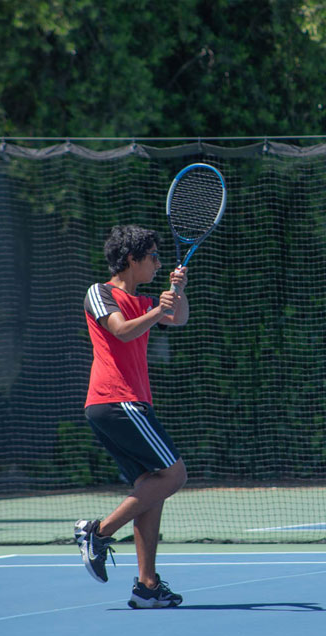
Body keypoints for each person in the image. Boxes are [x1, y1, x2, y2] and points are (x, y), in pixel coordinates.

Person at [75, 224, 189, 608]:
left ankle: (147, 586)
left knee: (151, 487)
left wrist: (176, 293)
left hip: (130, 404)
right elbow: (121, 332)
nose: (157, 263)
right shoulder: (100, 292)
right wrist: (160, 308)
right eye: (152, 257)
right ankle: (99, 532)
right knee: (174, 475)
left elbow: (179, 319)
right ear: (131, 260)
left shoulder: (144, 302)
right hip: (115, 401)